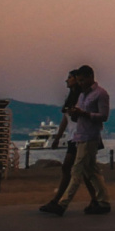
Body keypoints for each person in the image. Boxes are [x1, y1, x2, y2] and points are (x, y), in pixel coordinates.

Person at [40, 65, 111, 216]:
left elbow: (104, 116)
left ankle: (62, 204)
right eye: (78, 80)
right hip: (79, 136)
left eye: (82, 80)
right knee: (91, 171)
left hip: (90, 137)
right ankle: (102, 202)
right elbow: (74, 116)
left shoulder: (100, 94)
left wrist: (84, 114)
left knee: (76, 171)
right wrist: (75, 113)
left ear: (91, 77)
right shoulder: (82, 95)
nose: (80, 83)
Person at [39, 70, 84, 213]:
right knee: (88, 172)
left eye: (69, 78)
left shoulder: (81, 97)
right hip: (72, 137)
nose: (66, 80)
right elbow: (65, 119)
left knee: (67, 168)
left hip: (80, 136)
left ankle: (57, 201)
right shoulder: (70, 98)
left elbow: (80, 117)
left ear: (76, 80)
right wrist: (57, 137)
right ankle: (99, 200)